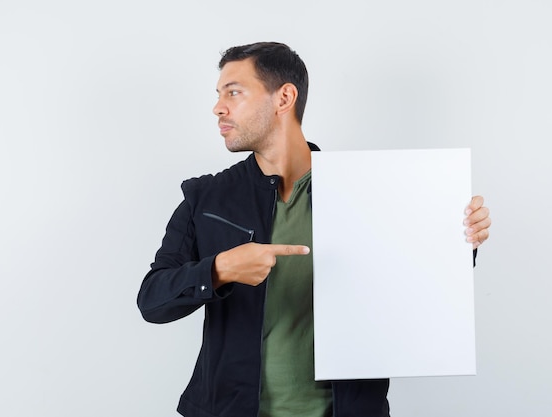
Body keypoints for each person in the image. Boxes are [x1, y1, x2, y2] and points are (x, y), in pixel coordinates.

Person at [137, 41, 491, 417]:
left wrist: (462, 239)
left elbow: (415, 283)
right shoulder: (204, 197)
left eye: (234, 92)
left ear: (284, 97)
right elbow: (152, 302)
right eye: (219, 94)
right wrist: (221, 270)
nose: (218, 107)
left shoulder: (369, 191)